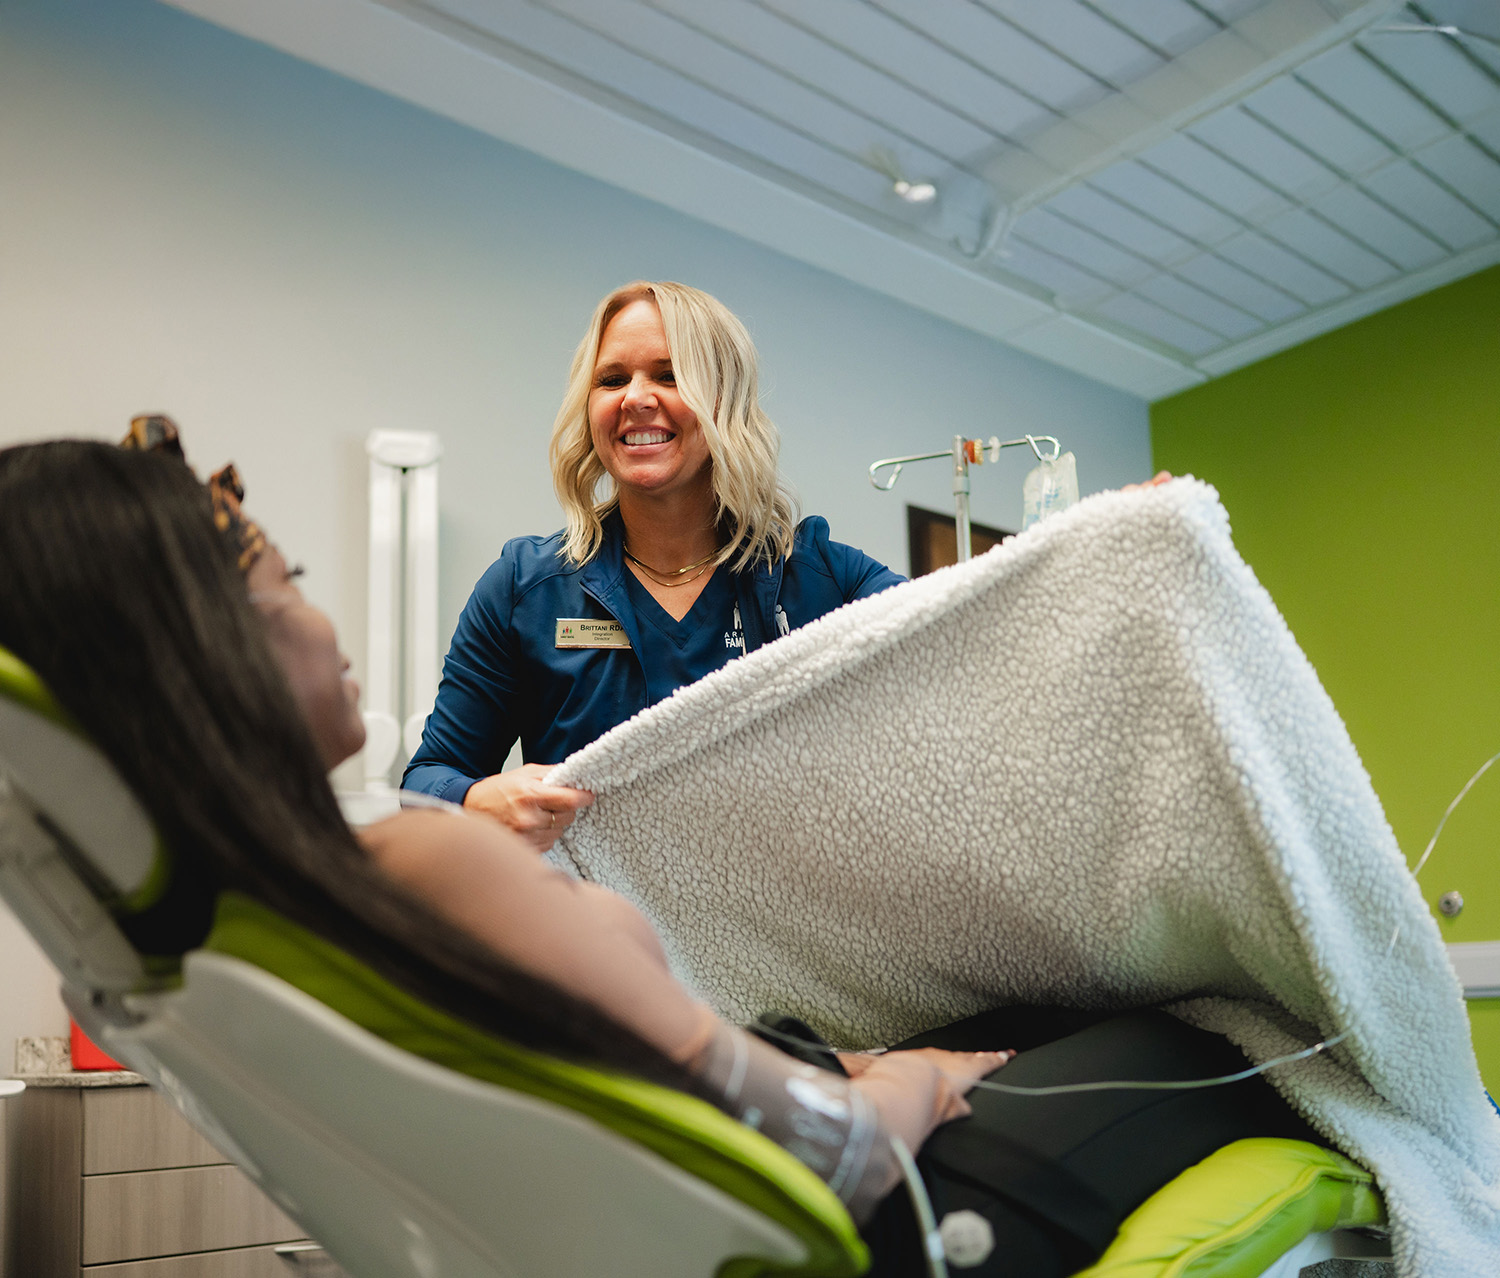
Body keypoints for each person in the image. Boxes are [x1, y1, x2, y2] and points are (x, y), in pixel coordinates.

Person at [0, 438, 1320, 1277]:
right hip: (854, 1197)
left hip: (733, 1087)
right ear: (197, 643)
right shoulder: (436, 860)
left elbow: (931, 630)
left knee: (1041, 1009)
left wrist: (1080, 563)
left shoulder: (248, 930)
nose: (324, 612)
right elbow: (823, 1150)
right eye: (287, 577)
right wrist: (910, 1080)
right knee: (1227, 1026)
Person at [403, 282, 904, 850]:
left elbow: (953, 641)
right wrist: (477, 800)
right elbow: (427, 780)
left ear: (726, 401)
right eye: (612, 380)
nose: (635, 398)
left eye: (669, 375)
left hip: (766, 928)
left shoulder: (817, 578)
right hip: (590, 928)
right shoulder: (527, 588)